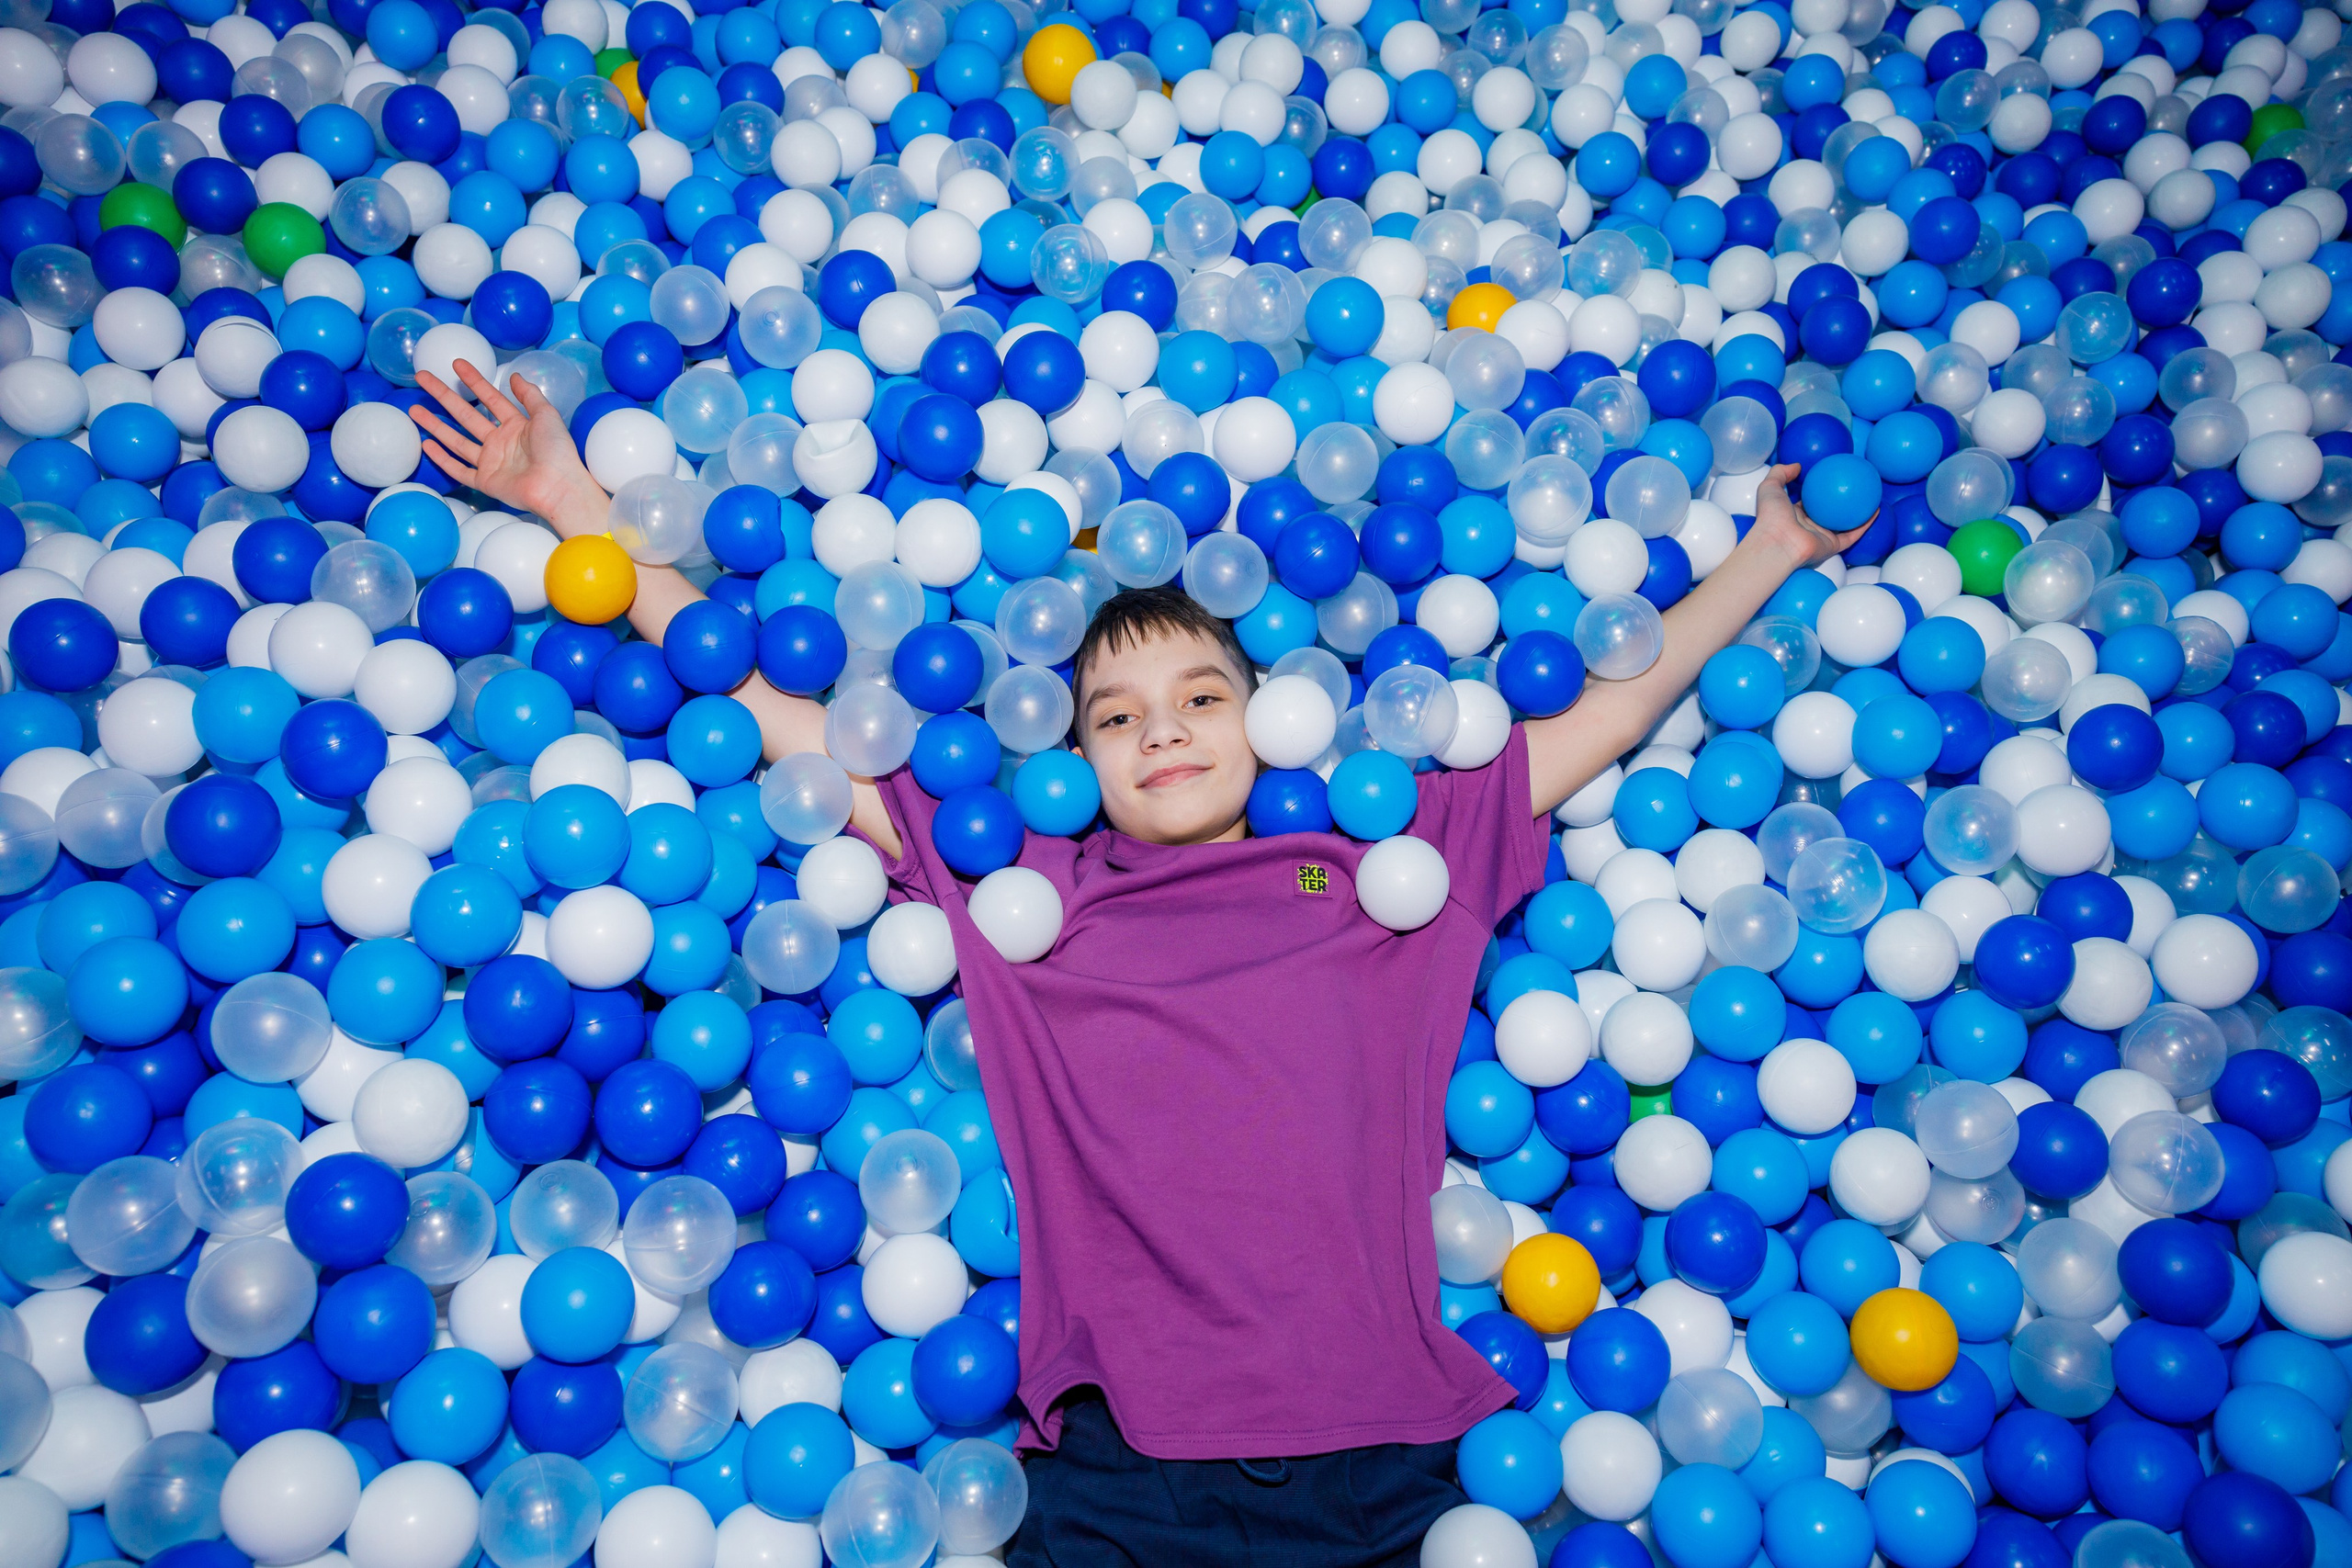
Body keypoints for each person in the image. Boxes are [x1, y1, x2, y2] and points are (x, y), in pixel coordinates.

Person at [413, 360, 1868, 1565]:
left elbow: (1606, 716)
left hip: (1381, 1464)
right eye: (1113, 717)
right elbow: (788, 721)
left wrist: (1773, 552)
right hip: (1118, 1473)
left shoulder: (1387, 876)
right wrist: (575, 507)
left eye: (1199, 695)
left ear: (1271, 718)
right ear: (1068, 763)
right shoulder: (1030, 890)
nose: (1160, 729)